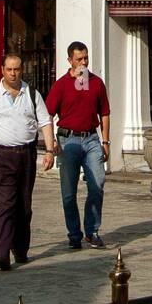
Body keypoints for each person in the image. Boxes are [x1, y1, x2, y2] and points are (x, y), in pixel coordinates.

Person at [0, 52, 55, 271]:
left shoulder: (32, 94)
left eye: (17, 70)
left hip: (25, 155)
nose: (13, 74)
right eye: (9, 70)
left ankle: (20, 248)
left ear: (22, 70)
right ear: (2, 70)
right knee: (5, 203)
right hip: (0, 156)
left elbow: (45, 122)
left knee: (23, 205)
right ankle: (2, 253)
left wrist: (50, 150)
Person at [46, 41, 111, 250]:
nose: (83, 62)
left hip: (91, 139)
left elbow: (105, 113)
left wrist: (106, 141)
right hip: (68, 140)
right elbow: (47, 114)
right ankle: (74, 233)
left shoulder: (97, 83)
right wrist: (52, 142)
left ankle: (92, 231)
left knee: (97, 183)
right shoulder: (61, 85)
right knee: (68, 192)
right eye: (79, 59)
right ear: (70, 61)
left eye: (86, 58)